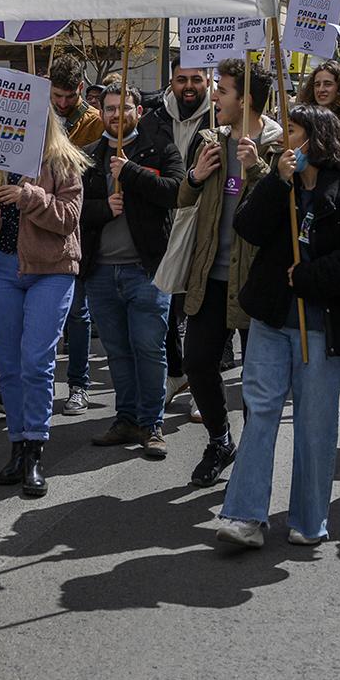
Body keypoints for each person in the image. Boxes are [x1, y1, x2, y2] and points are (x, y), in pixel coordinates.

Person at [216, 105, 340, 547]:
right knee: (260, 414)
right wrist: (276, 180)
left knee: (315, 426)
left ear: (316, 140)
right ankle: (244, 516)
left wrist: (314, 277)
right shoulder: (282, 186)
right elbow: (247, 227)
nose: (283, 140)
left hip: (320, 330)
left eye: (291, 132)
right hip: (272, 321)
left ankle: (309, 520)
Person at [0, 110, 87, 498]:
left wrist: (29, 196)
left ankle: (35, 448)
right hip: (2, 271)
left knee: (37, 361)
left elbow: (69, 218)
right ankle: (16, 444)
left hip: (51, 270)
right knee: (10, 365)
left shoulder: (63, 160)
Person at [174, 57, 279, 488]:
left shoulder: (277, 141)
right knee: (197, 362)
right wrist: (196, 176)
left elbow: (284, 206)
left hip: (256, 282)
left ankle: (254, 455)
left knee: (257, 380)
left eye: (224, 89)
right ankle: (220, 439)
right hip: (210, 278)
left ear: (246, 98)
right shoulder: (209, 140)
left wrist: (257, 167)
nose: (215, 95)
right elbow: (183, 199)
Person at [79, 77, 186, 460]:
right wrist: (103, 208)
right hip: (102, 273)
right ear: (102, 112)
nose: (116, 115)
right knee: (118, 351)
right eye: (109, 108)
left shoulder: (159, 150)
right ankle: (125, 418)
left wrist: (133, 173)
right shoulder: (88, 156)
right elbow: (75, 210)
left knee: (149, 348)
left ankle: (152, 423)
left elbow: (176, 191)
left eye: (123, 107)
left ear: (137, 112)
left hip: (146, 271)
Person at [153, 61, 215, 420]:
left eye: (196, 79)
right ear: (172, 81)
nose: (189, 86)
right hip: (165, 220)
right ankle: (175, 374)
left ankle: (204, 382)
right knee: (167, 304)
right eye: (182, 80)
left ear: (207, 81)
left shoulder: (218, 119)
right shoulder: (156, 116)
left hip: (201, 220)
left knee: (199, 305)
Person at [47, 55, 103, 415]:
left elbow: (79, 169)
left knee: (78, 314)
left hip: (76, 225)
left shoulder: (94, 122)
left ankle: (79, 385)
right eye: (56, 96)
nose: (62, 103)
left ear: (80, 89)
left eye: (69, 96)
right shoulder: (40, 112)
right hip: (38, 223)